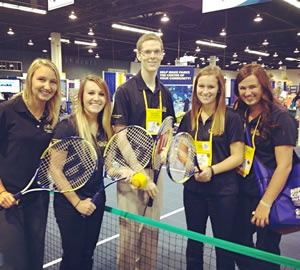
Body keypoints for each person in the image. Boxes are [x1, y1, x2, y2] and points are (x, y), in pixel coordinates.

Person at [112, 33, 175, 270]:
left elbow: (166, 132)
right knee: (129, 237)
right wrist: (141, 174)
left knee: (151, 235)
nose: (152, 56)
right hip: (131, 174)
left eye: (156, 51)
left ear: (162, 55)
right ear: (138, 55)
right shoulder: (125, 91)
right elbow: (120, 136)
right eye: (147, 51)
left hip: (156, 173)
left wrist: (162, 156)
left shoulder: (165, 94)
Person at [177, 65, 244, 270]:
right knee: (193, 241)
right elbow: (181, 150)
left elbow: (238, 157)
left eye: (210, 87)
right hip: (193, 191)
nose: (205, 91)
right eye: (201, 86)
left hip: (223, 193)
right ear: (195, 88)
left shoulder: (231, 118)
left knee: (223, 245)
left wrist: (212, 170)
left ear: (219, 90)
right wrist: (191, 166)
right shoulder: (189, 117)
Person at [233, 64, 297, 270]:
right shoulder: (240, 113)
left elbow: (285, 166)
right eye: (242, 88)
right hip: (243, 192)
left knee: (266, 251)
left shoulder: (281, 117)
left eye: (252, 87)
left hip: (271, 195)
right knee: (237, 243)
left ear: (263, 86)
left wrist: (266, 203)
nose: (247, 93)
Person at [0, 58, 61, 270]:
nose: (47, 86)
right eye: (41, 79)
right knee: (15, 262)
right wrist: (1, 192)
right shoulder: (7, 111)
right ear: (30, 80)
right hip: (8, 200)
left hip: (38, 198)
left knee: (35, 260)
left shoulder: (51, 118)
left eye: (53, 82)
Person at [52, 75, 113, 270]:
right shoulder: (66, 127)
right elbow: (55, 169)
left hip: (96, 201)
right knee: (73, 258)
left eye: (101, 94)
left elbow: (109, 166)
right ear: (81, 96)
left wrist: (127, 172)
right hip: (70, 204)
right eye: (91, 93)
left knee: (88, 255)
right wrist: (77, 202)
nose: (96, 98)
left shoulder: (106, 129)